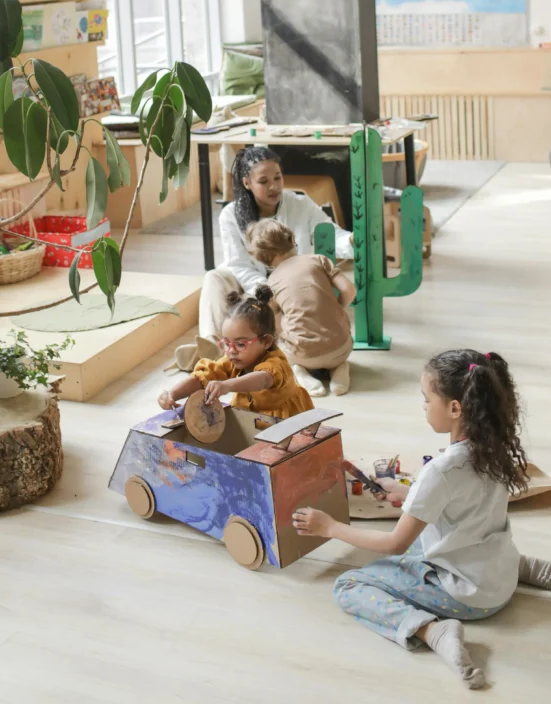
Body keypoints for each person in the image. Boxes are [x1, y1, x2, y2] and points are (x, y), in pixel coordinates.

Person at [292, 349, 551, 689]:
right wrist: (409, 501)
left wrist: (330, 527)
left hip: (470, 596)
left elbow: (393, 543)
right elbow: (467, 506)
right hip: (498, 572)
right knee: (442, 536)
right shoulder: (495, 447)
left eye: (426, 399)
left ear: (455, 408)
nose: (423, 406)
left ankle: (431, 630)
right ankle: (527, 568)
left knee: (350, 584)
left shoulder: (441, 471)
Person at [175, 146, 353, 370]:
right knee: (214, 277)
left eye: (278, 177)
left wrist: (351, 242)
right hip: (256, 290)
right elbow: (237, 265)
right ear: (247, 183)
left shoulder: (300, 203)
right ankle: (213, 344)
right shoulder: (231, 215)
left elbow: (331, 234)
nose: (274, 186)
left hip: (291, 295)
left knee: (263, 319)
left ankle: (221, 358)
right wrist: (266, 289)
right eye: (264, 181)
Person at [159, 286, 314, 420]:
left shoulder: (275, 363)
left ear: (266, 341)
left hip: (282, 419)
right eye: (226, 343)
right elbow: (203, 377)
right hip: (247, 413)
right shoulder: (234, 358)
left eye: (240, 344)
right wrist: (173, 394)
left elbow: (263, 379)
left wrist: (226, 385)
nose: (231, 351)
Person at [245, 218, 355, 397]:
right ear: (292, 239)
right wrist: (337, 309)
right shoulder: (318, 260)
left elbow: (275, 323)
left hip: (303, 354)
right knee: (340, 340)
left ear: (264, 260)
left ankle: (300, 371)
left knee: (278, 345)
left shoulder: (272, 282)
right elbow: (349, 290)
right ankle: (339, 368)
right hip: (340, 348)